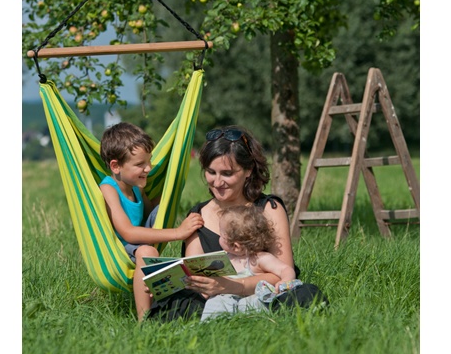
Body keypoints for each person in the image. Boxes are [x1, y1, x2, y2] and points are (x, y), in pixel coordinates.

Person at [147, 125, 323, 321]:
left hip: (262, 294)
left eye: (227, 173)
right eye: (211, 172)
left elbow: (284, 276)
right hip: (212, 300)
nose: (217, 182)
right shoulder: (197, 215)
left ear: (248, 171)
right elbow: (194, 274)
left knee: (306, 294)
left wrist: (233, 286)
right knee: (172, 303)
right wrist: (165, 283)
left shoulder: (269, 208)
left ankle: (243, 318)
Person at [99, 122, 204, 321]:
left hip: (138, 241)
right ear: (116, 166)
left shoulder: (136, 186)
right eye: (140, 164)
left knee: (150, 244)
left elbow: (150, 212)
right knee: (147, 252)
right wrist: (177, 233)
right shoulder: (109, 189)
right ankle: (144, 320)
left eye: (149, 161)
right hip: (118, 248)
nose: (148, 168)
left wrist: (170, 190)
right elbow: (128, 232)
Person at [201, 204, 298, 321]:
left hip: (251, 298)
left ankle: (253, 321)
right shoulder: (223, 258)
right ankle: (212, 324)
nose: (219, 238)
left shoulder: (258, 259)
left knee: (258, 303)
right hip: (225, 298)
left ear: (235, 246)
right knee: (216, 302)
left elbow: (285, 269)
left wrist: (285, 280)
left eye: (221, 235)